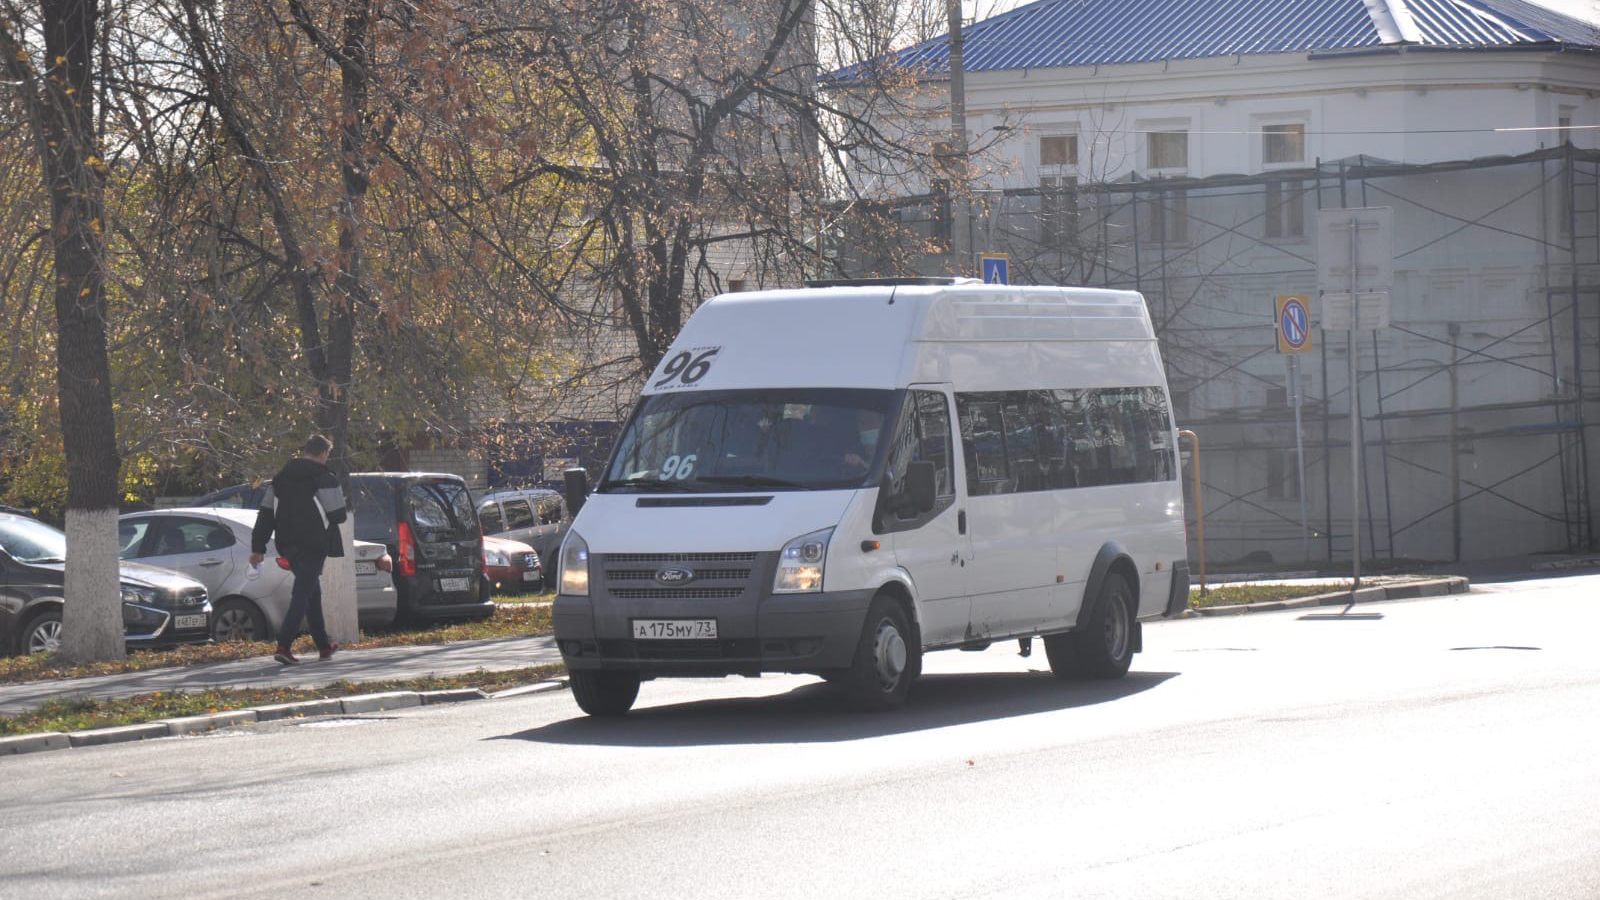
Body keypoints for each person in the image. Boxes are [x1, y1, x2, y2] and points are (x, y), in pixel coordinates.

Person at [250, 434, 347, 664]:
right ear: (324, 453)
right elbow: (338, 514)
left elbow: (265, 514)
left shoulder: (280, 479)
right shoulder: (323, 477)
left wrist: (257, 547)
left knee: (312, 592)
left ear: (306, 451)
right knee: (303, 593)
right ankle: (283, 645)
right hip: (314, 544)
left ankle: (324, 646)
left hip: (288, 545)